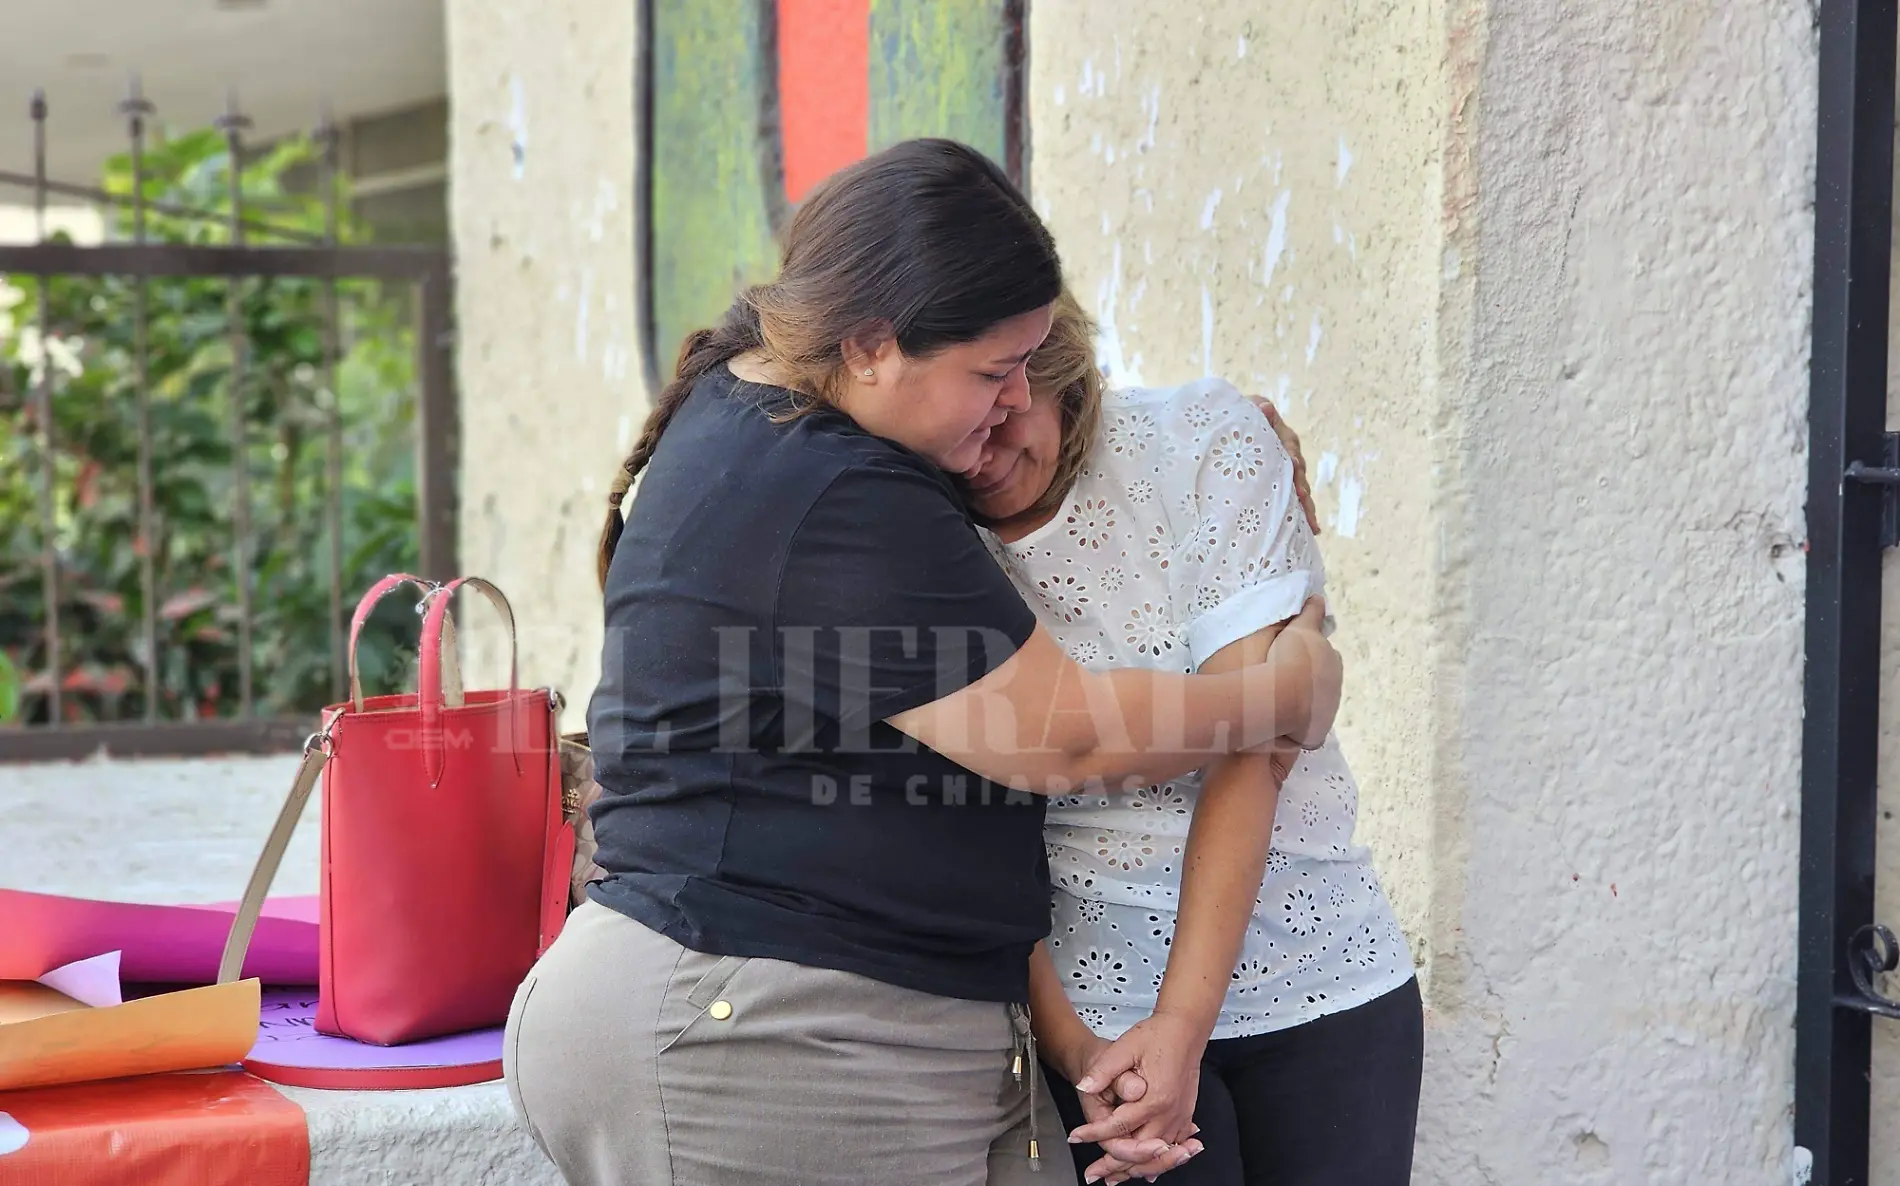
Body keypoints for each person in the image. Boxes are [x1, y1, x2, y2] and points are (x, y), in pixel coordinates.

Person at [502, 139, 1343, 1186]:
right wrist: (1282, 693)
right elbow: (1061, 737)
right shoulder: (827, 489)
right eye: (993, 371)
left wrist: (1221, 440)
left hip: (821, 1025)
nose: (1016, 396)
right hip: (757, 1033)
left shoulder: (786, 421)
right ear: (868, 343)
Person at [961, 295, 1422, 1186]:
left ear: (1048, 369)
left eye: (1010, 410)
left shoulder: (1201, 442)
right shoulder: (917, 527)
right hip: (1098, 1021)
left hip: (1323, 973)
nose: (984, 451)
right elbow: (974, 832)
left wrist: (1183, 1022)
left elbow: (1253, 753)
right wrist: (1077, 1048)